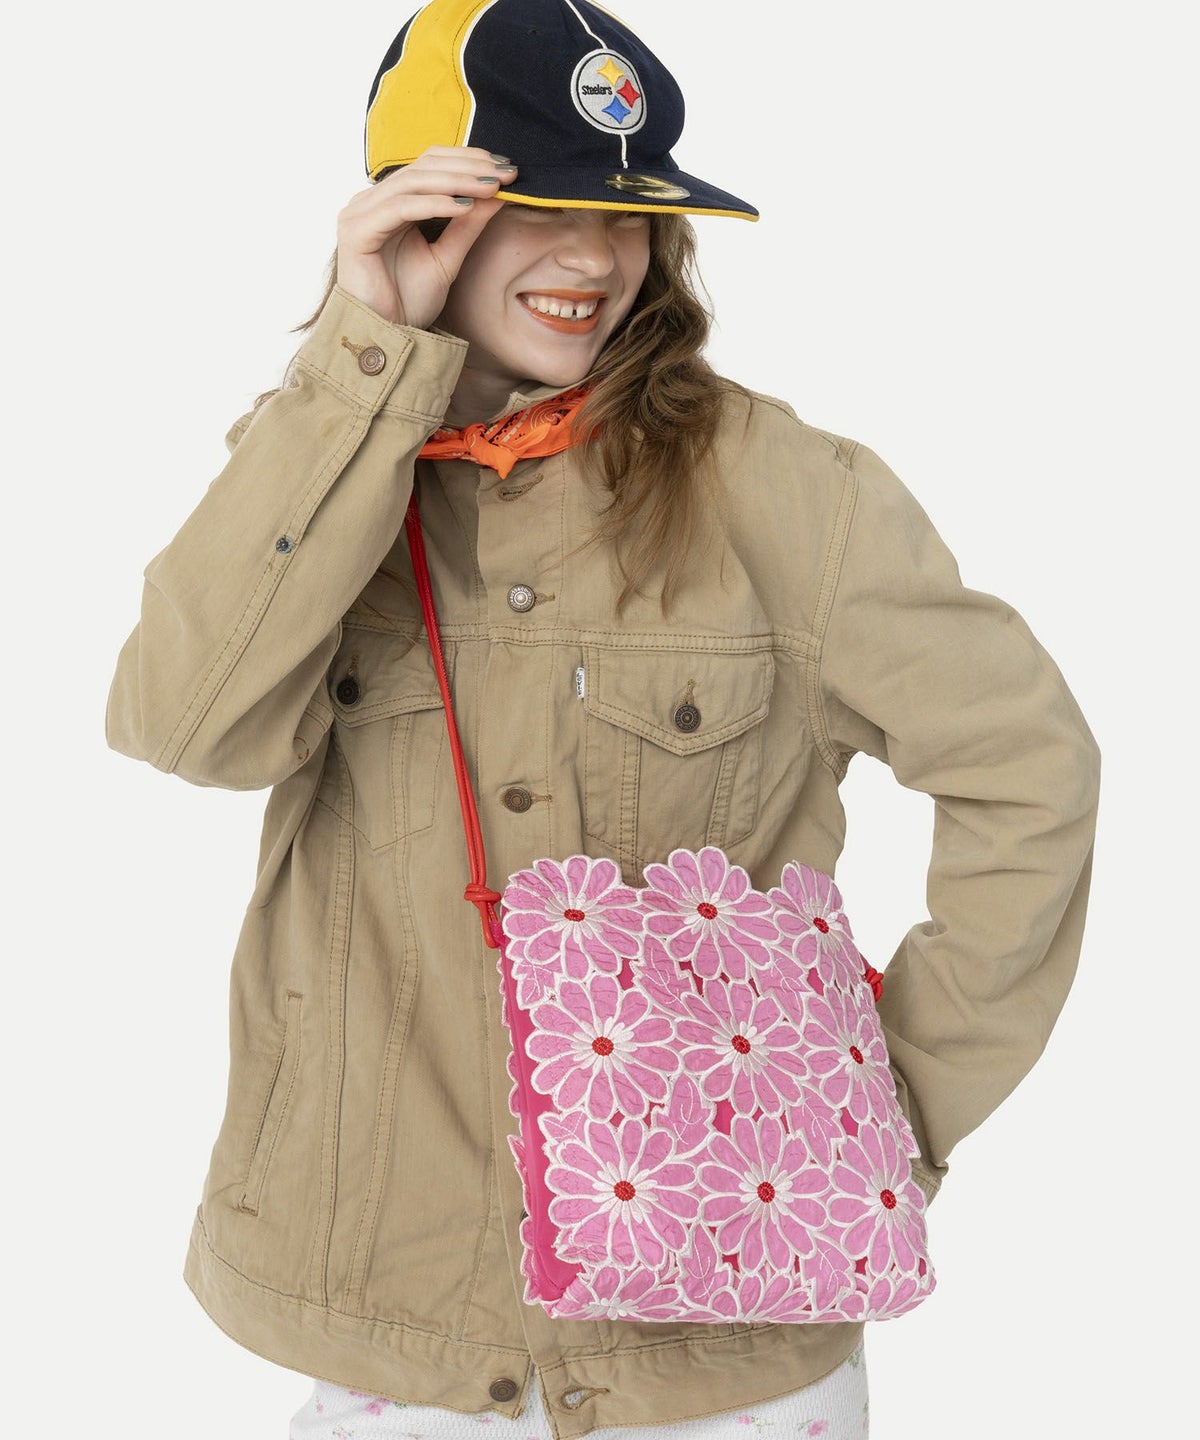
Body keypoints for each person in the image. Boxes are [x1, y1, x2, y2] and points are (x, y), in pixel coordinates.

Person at [103, 2, 1101, 1438]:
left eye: (628, 216)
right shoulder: (307, 477)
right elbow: (186, 728)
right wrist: (363, 358)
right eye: (536, 205)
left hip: (726, 1344)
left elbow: (1030, 771)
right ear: (416, 211)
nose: (593, 260)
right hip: (401, 1330)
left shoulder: (792, 491)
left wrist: (885, 1107)